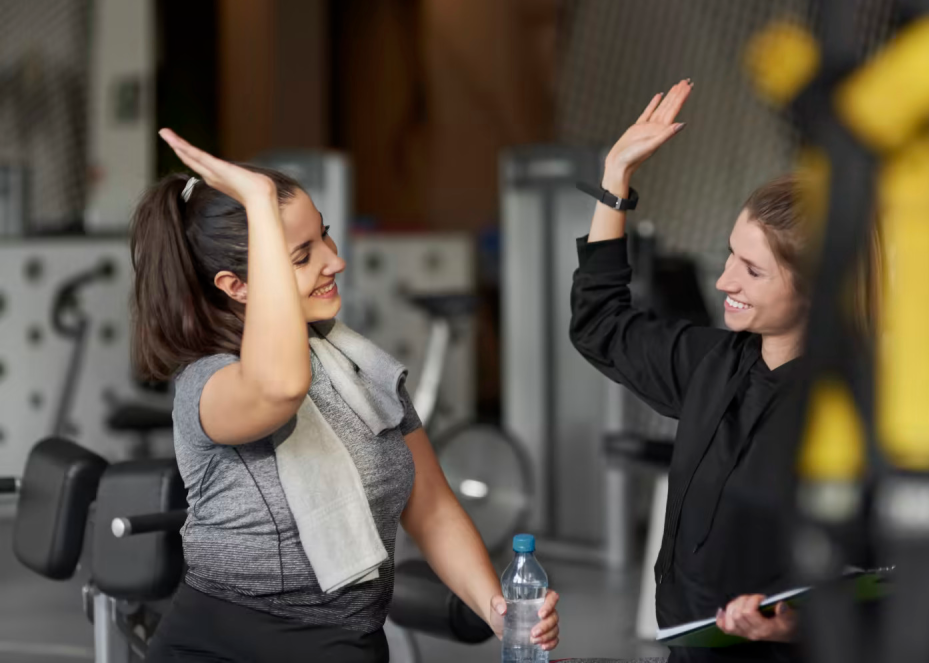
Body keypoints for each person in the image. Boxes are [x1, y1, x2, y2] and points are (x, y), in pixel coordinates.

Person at [133, 130, 560, 663]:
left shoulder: (361, 368)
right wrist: (261, 202)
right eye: (302, 255)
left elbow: (429, 504)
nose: (334, 261)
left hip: (345, 643)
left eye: (325, 237)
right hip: (221, 647)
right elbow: (283, 386)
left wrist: (495, 609)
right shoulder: (209, 383)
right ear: (237, 286)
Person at [569, 80, 879, 662]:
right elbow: (601, 325)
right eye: (729, 254)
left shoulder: (859, 414)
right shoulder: (713, 365)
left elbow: (892, 590)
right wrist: (615, 179)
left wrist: (793, 629)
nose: (723, 281)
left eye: (752, 271)